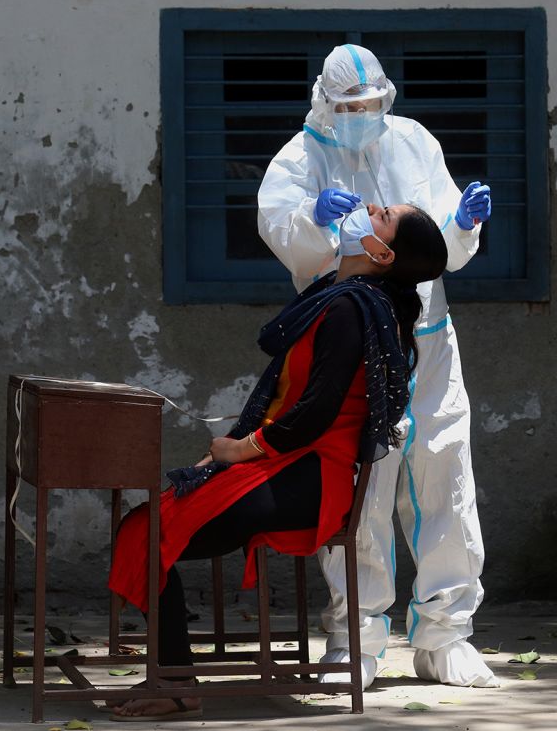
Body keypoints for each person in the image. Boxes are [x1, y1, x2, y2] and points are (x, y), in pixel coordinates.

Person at [106, 203, 448, 721]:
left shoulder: (354, 307)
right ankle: (170, 674)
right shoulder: (342, 297)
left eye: (380, 215)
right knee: (147, 527)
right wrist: (221, 455)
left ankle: (174, 683)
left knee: (148, 531)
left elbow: (314, 414)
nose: (365, 209)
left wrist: (240, 450)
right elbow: (282, 402)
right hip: (288, 464)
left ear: (381, 252)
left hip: (307, 476)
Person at [256, 43, 498, 690]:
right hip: (357, 339)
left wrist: (463, 224)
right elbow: (278, 227)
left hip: (429, 335)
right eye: (351, 107)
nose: (364, 115)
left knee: (446, 474)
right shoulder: (298, 159)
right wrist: (315, 219)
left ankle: (447, 635)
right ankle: (355, 636)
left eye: (372, 104)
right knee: (360, 484)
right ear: (326, 104)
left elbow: (435, 235)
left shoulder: (414, 140)